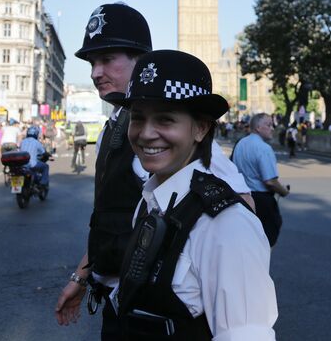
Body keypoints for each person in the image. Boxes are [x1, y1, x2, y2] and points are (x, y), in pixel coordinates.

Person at [55, 3, 253, 339]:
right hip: (119, 306)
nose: (94, 72)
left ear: (140, 61)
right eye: (91, 62)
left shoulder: (167, 140)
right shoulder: (115, 128)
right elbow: (112, 220)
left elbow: (243, 208)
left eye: (106, 59)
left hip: (162, 320)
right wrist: (81, 276)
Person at [117, 50, 277, 339]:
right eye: (137, 118)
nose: (146, 133)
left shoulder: (228, 226)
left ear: (201, 129)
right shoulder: (148, 201)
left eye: (165, 120)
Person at [233, 113, 290, 247]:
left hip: (242, 197)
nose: (272, 128)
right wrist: (284, 192)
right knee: (266, 240)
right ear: (258, 127)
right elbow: (270, 181)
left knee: (247, 240)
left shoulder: (240, 144)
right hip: (262, 201)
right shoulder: (264, 148)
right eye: (268, 125)